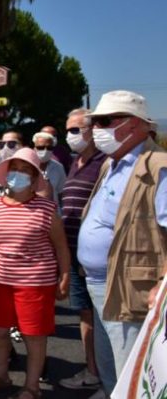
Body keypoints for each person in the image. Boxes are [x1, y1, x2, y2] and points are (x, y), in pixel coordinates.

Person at [77, 90, 167, 396]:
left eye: (104, 121)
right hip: (98, 284)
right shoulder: (111, 163)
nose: (96, 129)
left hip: (130, 288)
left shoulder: (158, 167)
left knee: (131, 372)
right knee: (109, 366)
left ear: (134, 125)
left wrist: (164, 284)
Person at [0, 148, 71, 399]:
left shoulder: (46, 209)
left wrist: (64, 276)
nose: (18, 175)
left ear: (35, 180)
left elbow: (61, 247)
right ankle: (2, 375)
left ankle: (32, 387)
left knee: (33, 335)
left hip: (35, 283)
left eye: (25, 171)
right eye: (14, 169)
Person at [57, 109, 106, 394]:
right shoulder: (77, 162)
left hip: (97, 260)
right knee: (85, 316)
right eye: (69, 129)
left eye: (75, 130)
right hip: (75, 254)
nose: (70, 136)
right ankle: (93, 370)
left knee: (103, 319)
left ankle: (110, 378)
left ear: (91, 130)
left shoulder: (105, 163)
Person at [32, 131, 66, 205]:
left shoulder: (58, 167)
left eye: (49, 148)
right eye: (40, 147)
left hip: (52, 213)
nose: (45, 150)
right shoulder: (27, 167)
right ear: (34, 148)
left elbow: (61, 193)